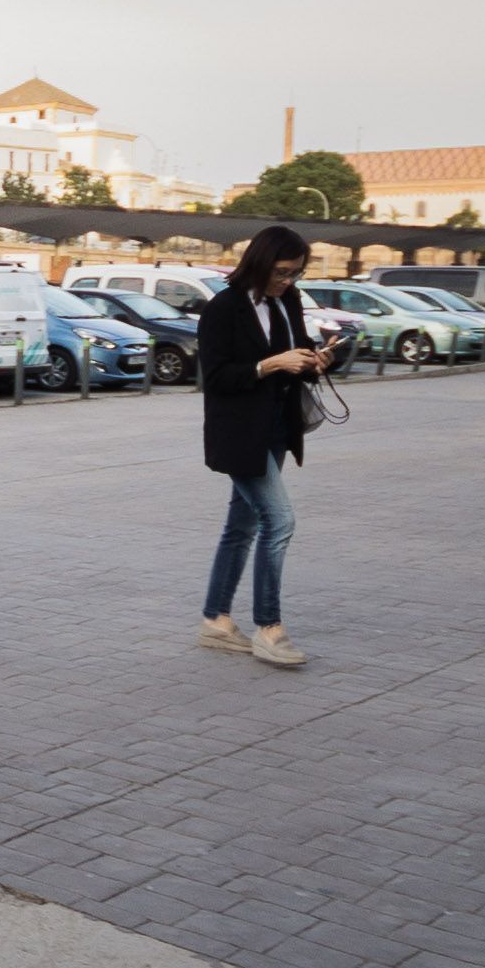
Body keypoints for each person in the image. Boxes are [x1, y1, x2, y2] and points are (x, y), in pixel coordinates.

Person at [193, 226, 336, 669]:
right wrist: (270, 363)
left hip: (276, 427)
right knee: (279, 521)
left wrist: (314, 360)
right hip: (239, 433)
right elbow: (216, 378)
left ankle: (216, 621)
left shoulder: (287, 301)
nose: (288, 281)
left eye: (296, 274)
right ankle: (269, 629)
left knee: (242, 526)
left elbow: (297, 353)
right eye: (282, 272)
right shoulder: (223, 308)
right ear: (260, 263)